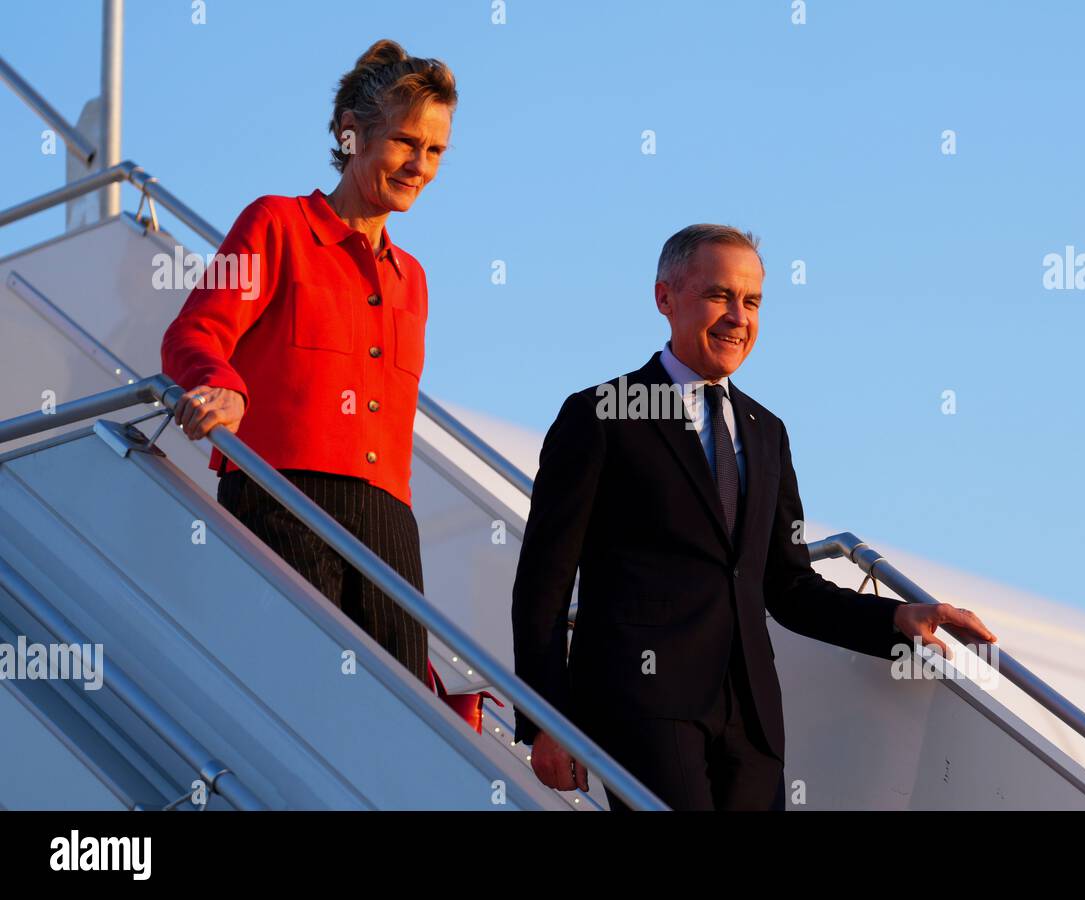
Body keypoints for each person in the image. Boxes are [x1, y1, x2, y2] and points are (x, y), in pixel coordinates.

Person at [511, 224, 998, 810]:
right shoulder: (600, 414)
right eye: (718, 295)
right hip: (644, 708)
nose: (737, 318)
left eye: (752, 301)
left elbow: (788, 586)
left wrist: (894, 618)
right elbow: (543, 583)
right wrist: (546, 719)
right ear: (665, 298)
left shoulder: (767, 432)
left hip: (752, 723)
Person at [161, 39, 454, 689]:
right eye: (406, 142)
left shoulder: (413, 279)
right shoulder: (277, 224)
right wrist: (221, 385)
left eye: (435, 150)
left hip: (390, 523)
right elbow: (194, 332)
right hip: (280, 497)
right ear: (352, 135)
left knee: (400, 715)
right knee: (299, 694)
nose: (421, 166)